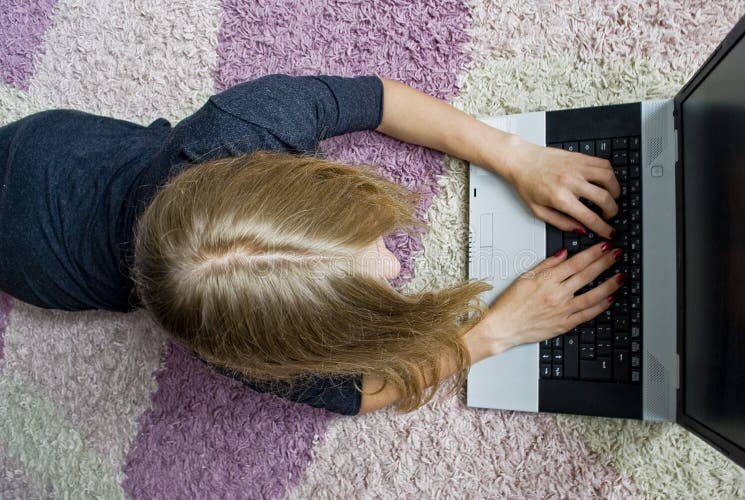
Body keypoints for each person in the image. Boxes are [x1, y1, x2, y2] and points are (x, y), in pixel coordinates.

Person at [0, 74, 622, 416]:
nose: (394, 261)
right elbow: (363, 391)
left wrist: (516, 155)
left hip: (40, 144)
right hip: (30, 256)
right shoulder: (233, 343)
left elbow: (378, 100)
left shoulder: (245, 123)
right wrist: (496, 332)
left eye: (365, 234)